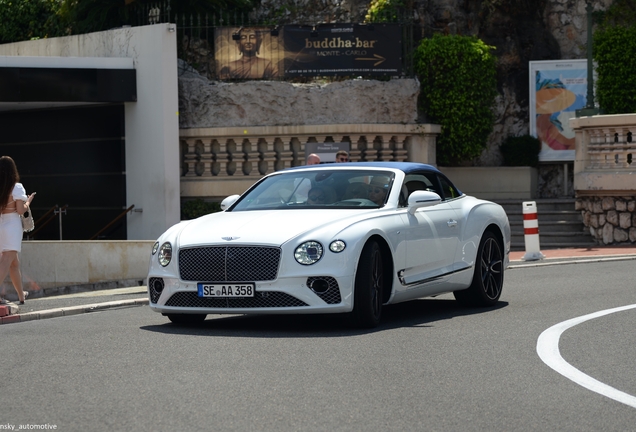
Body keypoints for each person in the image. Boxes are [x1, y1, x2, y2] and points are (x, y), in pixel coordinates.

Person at [0, 156, 36, 305]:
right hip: (12, 226)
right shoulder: (16, 187)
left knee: (14, 263)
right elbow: (20, 210)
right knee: (6, 259)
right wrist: (28, 201)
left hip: (1, 225)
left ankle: (21, 296)